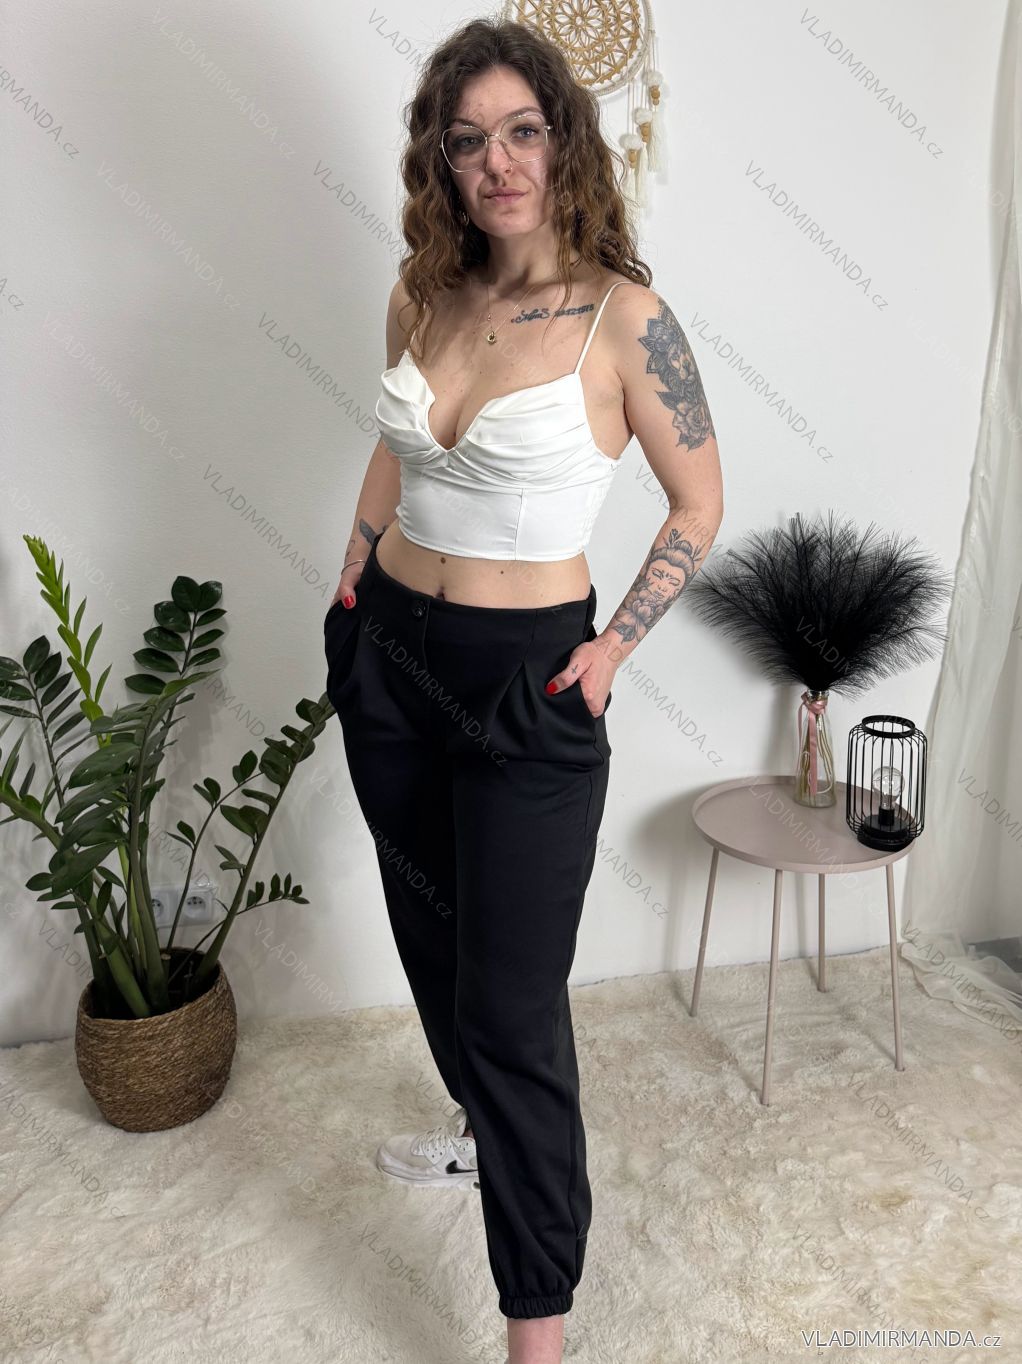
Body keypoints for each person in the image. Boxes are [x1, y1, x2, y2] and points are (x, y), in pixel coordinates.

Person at [322, 18, 724, 1364]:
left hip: (526, 681)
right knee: (431, 942)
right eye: (466, 139)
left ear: (563, 143)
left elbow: (698, 502)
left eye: (521, 132)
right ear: (440, 160)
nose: (496, 162)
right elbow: (398, 442)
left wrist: (610, 651)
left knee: (513, 1006)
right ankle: (474, 1131)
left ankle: (533, 1330)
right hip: (388, 654)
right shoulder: (421, 293)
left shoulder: (626, 319)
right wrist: (353, 563)